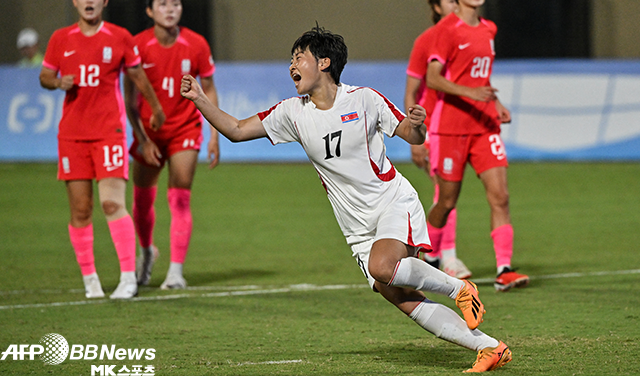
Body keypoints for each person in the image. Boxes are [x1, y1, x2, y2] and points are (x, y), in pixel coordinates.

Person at [180, 25, 512, 372]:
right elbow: (235, 130)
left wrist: (418, 125)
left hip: (391, 203)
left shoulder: (364, 99)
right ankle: (490, 347)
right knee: (399, 296)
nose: (291, 65)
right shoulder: (293, 112)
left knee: (383, 266)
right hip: (355, 227)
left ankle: (460, 287)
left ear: (324, 62)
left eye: (299, 57)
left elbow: (411, 135)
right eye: (291, 59)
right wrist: (200, 99)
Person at [39, 0, 166, 300]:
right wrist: (57, 82)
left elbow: (138, 77)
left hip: (108, 132)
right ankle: (91, 280)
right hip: (71, 136)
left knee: (112, 204)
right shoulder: (60, 39)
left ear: (104, 1)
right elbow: (44, 75)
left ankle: (127, 277)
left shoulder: (120, 37)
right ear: (75, 1)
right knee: (81, 211)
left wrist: (156, 109)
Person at [425, 0, 529, 292]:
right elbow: (434, 79)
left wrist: (494, 102)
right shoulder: (445, 31)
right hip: (451, 128)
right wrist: (473, 93)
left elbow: (480, 76)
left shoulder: (488, 29)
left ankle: (505, 269)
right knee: (447, 201)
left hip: (484, 127)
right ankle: (426, 255)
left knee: (500, 196)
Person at [124, 0, 220, 290]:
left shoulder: (197, 44)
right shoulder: (137, 45)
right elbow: (128, 99)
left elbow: (210, 87)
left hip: (185, 128)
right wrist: (141, 138)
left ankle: (176, 271)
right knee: (141, 200)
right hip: (149, 133)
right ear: (150, 11)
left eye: (175, 3)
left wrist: (214, 134)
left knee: (180, 195)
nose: (170, 8)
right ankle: (147, 251)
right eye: (162, 3)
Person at [405, 0, 471, 279]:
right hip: (433, 124)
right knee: (446, 191)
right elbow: (411, 92)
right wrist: (414, 138)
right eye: (451, 1)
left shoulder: (468, 38)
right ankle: (448, 259)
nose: (457, 6)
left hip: (458, 125)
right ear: (436, 6)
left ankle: (431, 254)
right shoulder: (427, 40)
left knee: (446, 192)